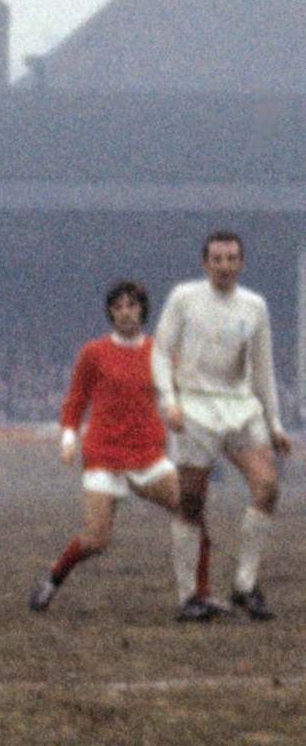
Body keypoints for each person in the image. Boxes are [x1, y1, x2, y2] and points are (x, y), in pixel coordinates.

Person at [31, 281, 194, 613]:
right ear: (110, 313)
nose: (124, 312)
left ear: (142, 310)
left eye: (131, 306)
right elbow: (76, 399)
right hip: (104, 455)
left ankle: (195, 595)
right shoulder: (94, 353)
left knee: (190, 510)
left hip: (147, 454)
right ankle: (54, 576)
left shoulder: (160, 353)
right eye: (118, 307)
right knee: (97, 540)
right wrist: (68, 439)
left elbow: (176, 395)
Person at [152, 231, 290, 619]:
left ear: (242, 264)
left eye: (232, 259)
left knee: (267, 486)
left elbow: (263, 368)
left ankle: (245, 585)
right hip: (195, 408)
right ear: (205, 264)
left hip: (240, 407)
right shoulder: (184, 298)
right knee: (192, 501)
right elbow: (161, 352)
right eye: (217, 259)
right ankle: (188, 597)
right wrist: (169, 401)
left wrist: (275, 422)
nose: (225, 266)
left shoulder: (254, 306)